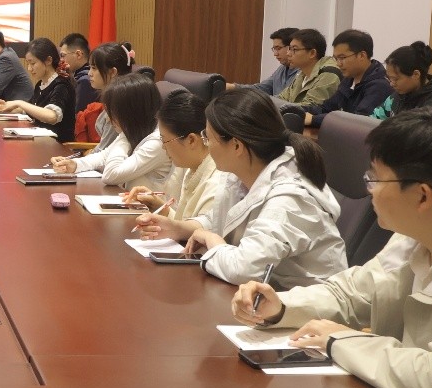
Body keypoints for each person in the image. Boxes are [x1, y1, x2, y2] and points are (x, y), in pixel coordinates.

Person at [232, 110, 432, 388]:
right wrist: (281, 306)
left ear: (422, 195)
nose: (369, 188)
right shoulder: (414, 238)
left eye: (375, 178)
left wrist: (341, 341)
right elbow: (351, 293)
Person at [135, 88, 346, 288]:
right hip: (261, 296)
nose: (205, 144)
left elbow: (244, 269)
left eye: (208, 137)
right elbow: (219, 219)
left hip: (302, 303)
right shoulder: (241, 173)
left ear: (236, 146)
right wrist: (177, 228)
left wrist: (211, 240)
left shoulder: (289, 198)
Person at [51, 74, 171, 191]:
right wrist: (75, 164)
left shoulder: (158, 142)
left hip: (145, 204)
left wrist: (125, 136)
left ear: (131, 113)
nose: (108, 119)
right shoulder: (136, 130)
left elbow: (111, 175)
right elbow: (104, 156)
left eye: (113, 113)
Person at [121, 88, 224, 222]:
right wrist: (161, 208)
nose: (163, 147)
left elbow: (196, 232)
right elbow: (185, 222)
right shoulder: (192, 168)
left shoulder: (217, 183)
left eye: (165, 140)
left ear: (191, 140)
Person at [300, 29, 391, 127]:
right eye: (336, 58)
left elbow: (358, 120)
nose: (338, 63)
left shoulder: (379, 85)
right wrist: (298, 110)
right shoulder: (349, 79)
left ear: (362, 55)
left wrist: (314, 120)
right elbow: (327, 108)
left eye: (342, 58)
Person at [0, 37, 75, 142]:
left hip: (58, 146)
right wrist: (7, 107)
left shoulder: (61, 85)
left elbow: (52, 116)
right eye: (28, 64)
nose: (29, 68)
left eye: (33, 63)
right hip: (41, 141)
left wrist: (19, 103)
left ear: (48, 60)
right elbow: (31, 109)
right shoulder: (40, 84)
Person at [57, 40, 134, 147]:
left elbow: (105, 149)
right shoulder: (113, 99)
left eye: (94, 68)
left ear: (113, 72)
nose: (89, 73)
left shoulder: (119, 106)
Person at [373, 41, 432, 119]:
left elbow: (418, 126)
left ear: (416, 74)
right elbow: (373, 118)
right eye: (389, 78)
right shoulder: (397, 96)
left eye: (395, 79)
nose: (391, 84)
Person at [276, 28, 341, 107]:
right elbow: (281, 98)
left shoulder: (329, 74)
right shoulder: (302, 74)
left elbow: (309, 107)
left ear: (312, 53)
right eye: (289, 49)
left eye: (294, 49)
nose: (288, 54)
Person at [226, 27, 298, 94]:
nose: (275, 54)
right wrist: (232, 87)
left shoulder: (302, 73)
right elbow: (262, 88)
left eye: (278, 48)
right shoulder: (281, 69)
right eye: (274, 49)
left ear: (291, 48)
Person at [58, 32, 97, 114]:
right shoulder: (76, 76)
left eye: (63, 55)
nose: (61, 60)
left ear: (78, 54)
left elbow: (76, 116)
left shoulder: (85, 80)